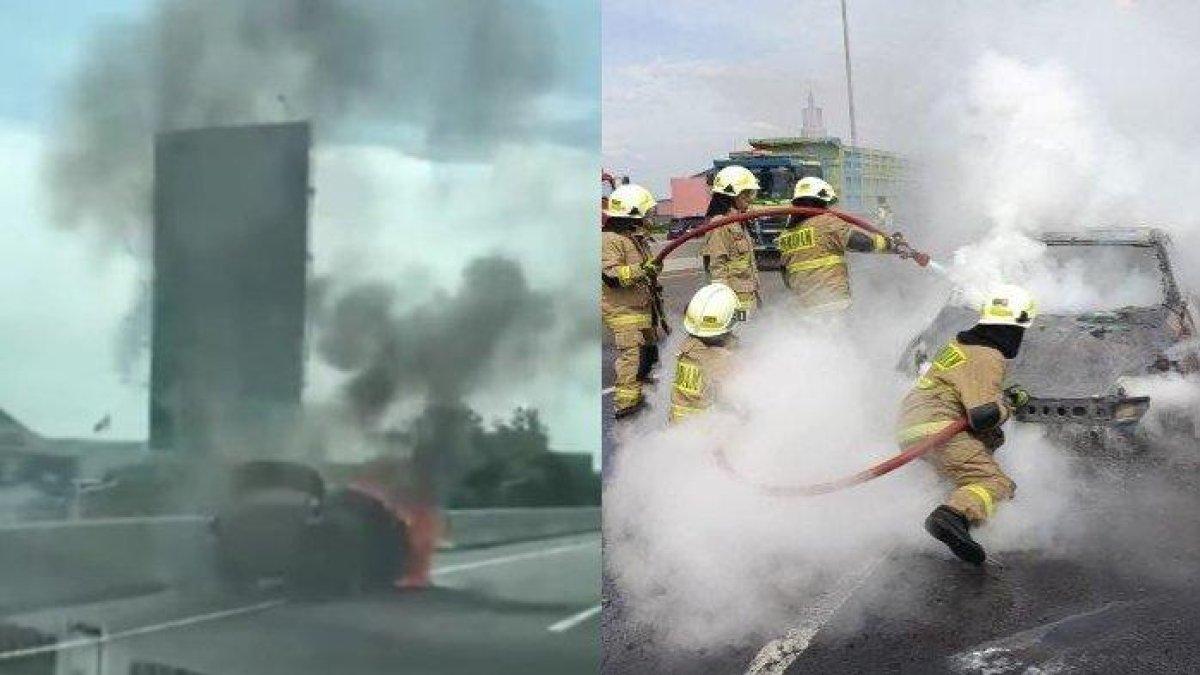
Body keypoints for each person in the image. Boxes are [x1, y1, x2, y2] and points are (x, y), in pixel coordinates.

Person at [895, 284, 1036, 565]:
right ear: (1017, 325)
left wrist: (1001, 400)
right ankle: (952, 516)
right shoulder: (988, 355)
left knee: (962, 471)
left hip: (914, 423)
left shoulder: (960, 345)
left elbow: (965, 394)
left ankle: (955, 524)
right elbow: (982, 416)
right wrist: (1009, 406)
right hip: (938, 426)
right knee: (993, 482)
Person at [778, 177, 904, 312]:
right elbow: (859, 242)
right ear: (820, 201)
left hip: (804, 306)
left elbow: (786, 275)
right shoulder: (826, 223)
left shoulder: (786, 235)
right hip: (832, 301)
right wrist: (891, 244)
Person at [602, 183, 664, 418]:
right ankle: (626, 407)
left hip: (640, 309)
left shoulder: (632, 237)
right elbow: (611, 276)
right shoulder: (609, 240)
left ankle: (642, 400)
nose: (650, 217)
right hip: (623, 311)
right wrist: (641, 269)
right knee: (632, 358)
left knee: (648, 357)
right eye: (646, 212)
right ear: (632, 212)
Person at [669, 283, 741, 423]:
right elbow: (738, 400)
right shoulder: (720, 361)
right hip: (710, 434)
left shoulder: (688, 348)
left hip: (678, 430)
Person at [702, 165, 762, 320]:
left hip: (748, 300)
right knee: (740, 341)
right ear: (732, 195)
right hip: (735, 305)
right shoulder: (719, 225)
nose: (750, 198)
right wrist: (726, 308)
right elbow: (717, 269)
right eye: (746, 193)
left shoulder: (737, 223)